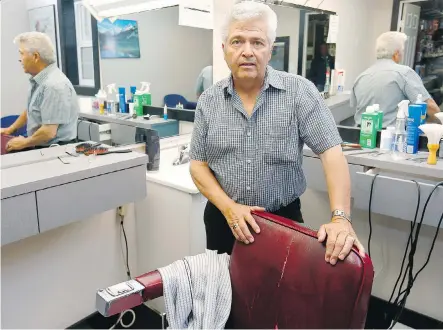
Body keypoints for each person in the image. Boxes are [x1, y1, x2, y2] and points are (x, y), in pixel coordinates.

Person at [189, 2, 365, 265]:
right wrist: (229, 208)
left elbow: (331, 152)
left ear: (270, 50)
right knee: (225, 295)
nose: (247, 51)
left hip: (283, 219)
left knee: (283, 298)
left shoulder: (299, 93)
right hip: (223, 219)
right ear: (224, 49)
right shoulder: (209, 102)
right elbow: (198, 165)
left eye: (257, 42)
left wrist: (340, 217)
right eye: (237, 41)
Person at [1, 32, 79, 152]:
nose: (19, 59)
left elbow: (48, 132)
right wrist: (10, 129)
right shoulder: (40, 80)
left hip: (56, 150)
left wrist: (24, 143)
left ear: (36, 57)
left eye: (22, 54)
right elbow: (32, 110)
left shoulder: (54, 86)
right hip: (41, 146)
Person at [352, 31, 441, 128]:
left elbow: (355, 107)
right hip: (392, 137)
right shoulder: (404, 73)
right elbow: (430, 107)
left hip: (362, 134)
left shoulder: (361, 76)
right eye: (402, 51)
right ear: (397, 53)